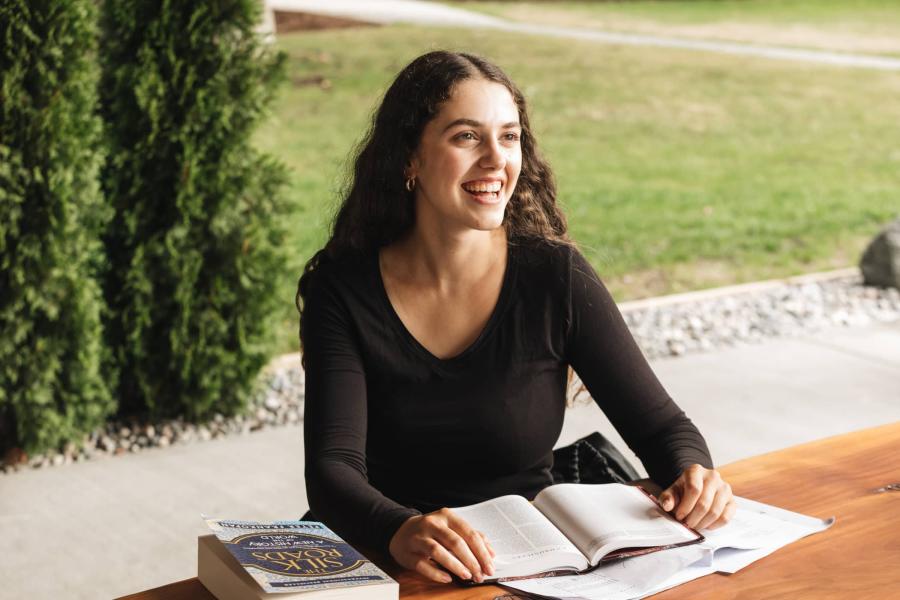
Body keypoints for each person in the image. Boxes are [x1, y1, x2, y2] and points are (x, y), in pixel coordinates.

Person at [296, 50, 735, 585]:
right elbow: (332, 470)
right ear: (409, 158)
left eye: (508, 137)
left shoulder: (555, 276)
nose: (495, 160)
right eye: (465, 137)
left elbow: (663, 427)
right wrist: (401, 529)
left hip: (528, 565)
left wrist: (694, 473)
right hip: (387, 562)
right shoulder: (342, 291)